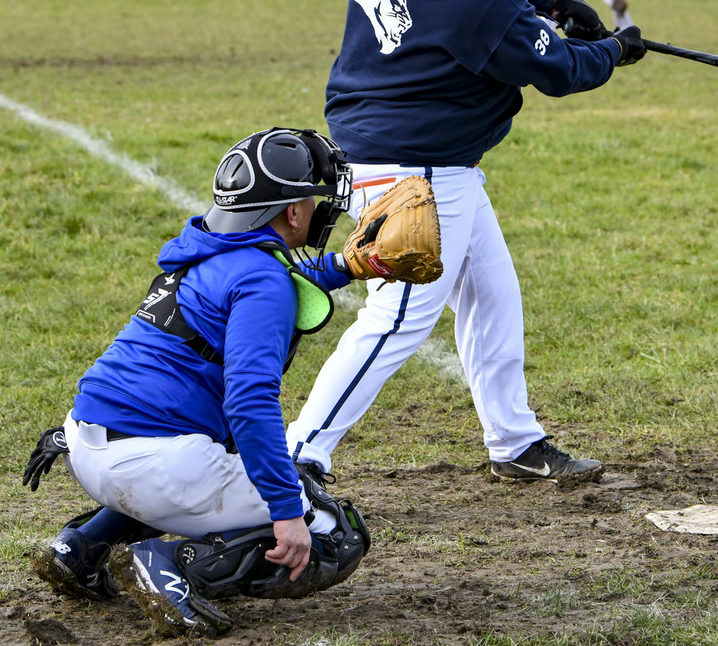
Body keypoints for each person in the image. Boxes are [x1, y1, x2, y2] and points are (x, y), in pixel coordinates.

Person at [287, 0, 647, 487]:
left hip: (386, 147)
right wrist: (614, 49)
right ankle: (301, 453)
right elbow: (560, 71)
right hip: (420, 171)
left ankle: (514, 442)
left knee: (492, 297)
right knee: (400, 318)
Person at [22, 128, 438, 637]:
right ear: (290, 211)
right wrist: (287, 513)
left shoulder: (205, 246)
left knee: (223, 461)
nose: (320, 208)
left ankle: (82, 546)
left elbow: (259, 280)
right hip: (152, 466)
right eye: (311, 199)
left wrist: (347, 266)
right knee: (331, 531)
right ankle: (172, 568)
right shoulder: (264, 282)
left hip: (89, 443)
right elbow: (249, 402)